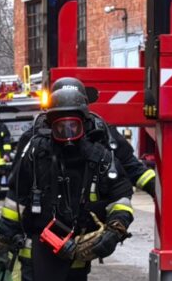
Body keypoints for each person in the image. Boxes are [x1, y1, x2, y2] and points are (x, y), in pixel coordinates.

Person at [0, 84, 135, 281]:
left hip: (78, 252)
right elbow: (14, 200)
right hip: (37, 249)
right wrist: (5, 241)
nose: (67, 134)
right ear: (50, 125)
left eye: (73, 125)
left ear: (84, 123)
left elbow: (121, 196)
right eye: (61, 126)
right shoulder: (35, 154)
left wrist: (115, 229)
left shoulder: (100, 158)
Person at [16, 77, 156, 198]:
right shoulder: (34, 140)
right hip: (45, 219)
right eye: (60, 122)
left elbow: (133, 169)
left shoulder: (102, 134)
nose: (67, 130)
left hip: (92, 222)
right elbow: (17, 187)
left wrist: (160, 191)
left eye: (74, 122)